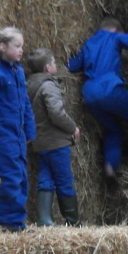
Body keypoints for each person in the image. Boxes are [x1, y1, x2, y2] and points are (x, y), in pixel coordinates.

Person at [67, 16, 128, 178]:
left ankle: (110, 165)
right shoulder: (113, 37)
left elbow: (72, 66)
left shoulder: (89, 44)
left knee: (113, 129)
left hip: (89, 94)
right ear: (115, 30)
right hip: (109, 88)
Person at [0, 26, 35, 232]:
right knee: (12, 177)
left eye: (22, 46)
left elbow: (25, 103)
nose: (21, 50)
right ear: (3, 47)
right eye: (17, 46)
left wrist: (29, 129)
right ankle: (2, 220)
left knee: (21, 177)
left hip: (18, 134)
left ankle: (16, 222)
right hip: (2, 134)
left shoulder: (18, 71)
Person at [26, 47, 80, 226]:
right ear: (48, 68)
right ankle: (73, 222)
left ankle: (44, 220)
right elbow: (56, 113)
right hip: (56, 142)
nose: (56, 65)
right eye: (54, 62)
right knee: (64, 180)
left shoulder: (29, 85)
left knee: (46, 179)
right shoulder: (48, 85)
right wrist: (72, 128)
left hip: (41, 142)